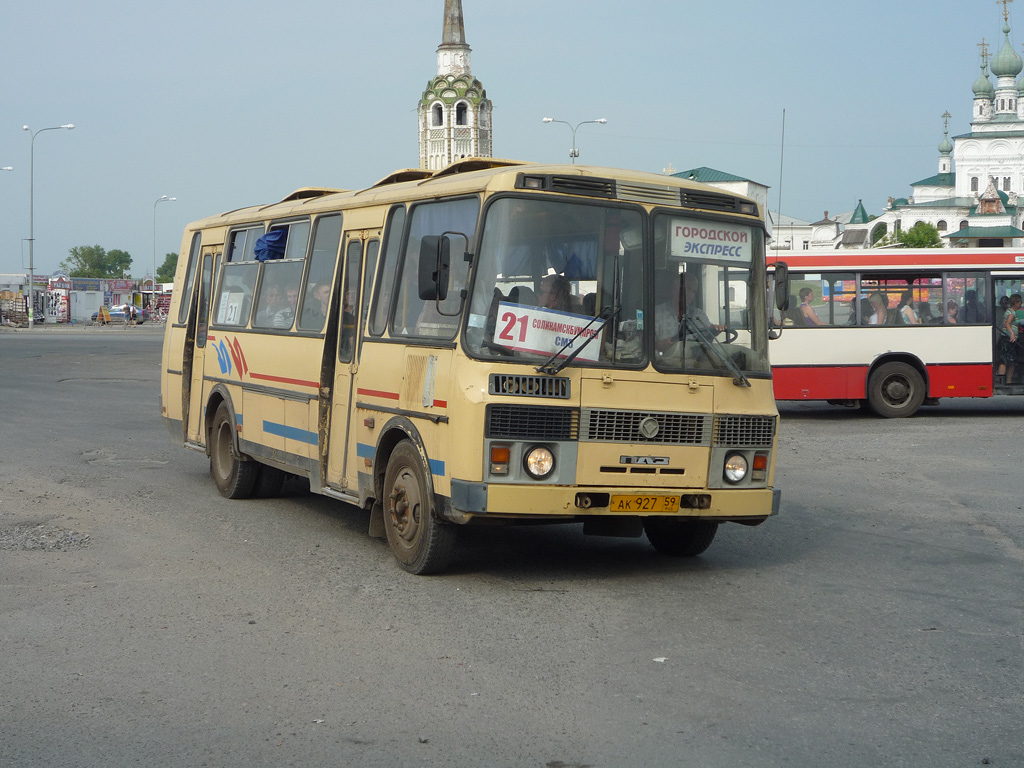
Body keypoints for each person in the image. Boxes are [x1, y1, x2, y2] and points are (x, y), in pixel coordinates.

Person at [1000, 294, 1023, 383]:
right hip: (1008, 339)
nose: (1021, 304)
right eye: (1020, 302)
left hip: (1007, 338)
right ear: (1016, 302)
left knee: (1010, 361)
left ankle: (1006, 381)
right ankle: (1006, 381)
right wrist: (1012, 333)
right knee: (1006, 361)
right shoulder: (1012, 312)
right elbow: (1007, 323)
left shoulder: (1010, 311)